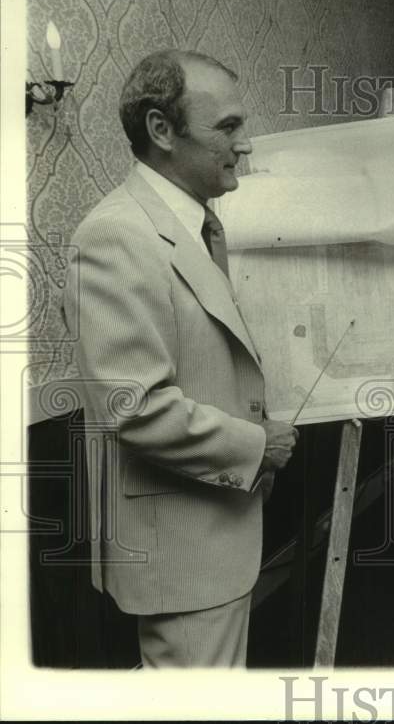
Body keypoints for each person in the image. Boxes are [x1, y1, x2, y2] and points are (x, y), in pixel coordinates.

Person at [63, 50, 299, 667]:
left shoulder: (198, 228)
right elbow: (133, 407)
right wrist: (257, 446)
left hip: (215, 529)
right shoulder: (115, 235)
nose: (244, 145)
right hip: (181, 548)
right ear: (161, 130)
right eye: (227, 127)